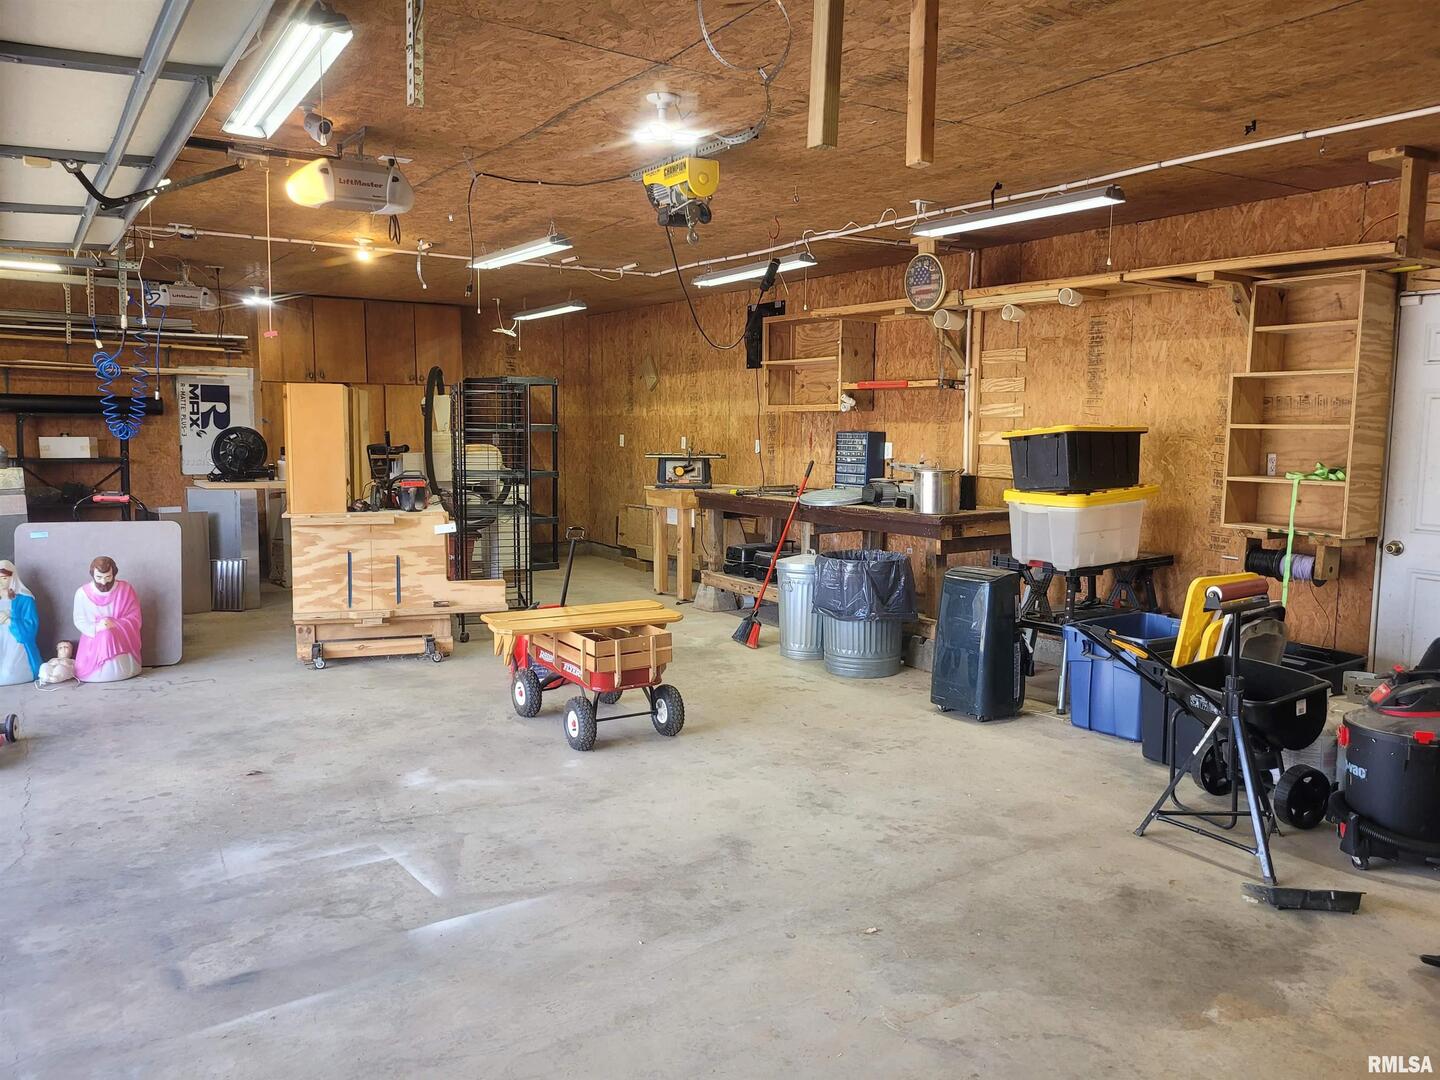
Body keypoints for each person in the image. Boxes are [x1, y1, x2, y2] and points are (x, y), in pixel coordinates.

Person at [73, 555, 142, 683]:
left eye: (108, 577)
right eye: (99, 577)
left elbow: (135, 617)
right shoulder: (82, 594)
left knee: (108, 634)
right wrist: (96, 628)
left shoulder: (125, 590)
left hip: (120, 639)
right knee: (104, 635)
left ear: (114, 574)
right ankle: (97, 670)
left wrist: (116, 624)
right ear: (92, 574)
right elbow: (79, 620)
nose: (103, 582)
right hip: (93, 643)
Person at [0, 560, 41, 685]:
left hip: (16, 643)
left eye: (4, 578)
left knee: (8, 674)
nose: (1, 582)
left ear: (12, 578)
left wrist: (9, 620)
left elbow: (31, 628)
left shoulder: (25, 599)